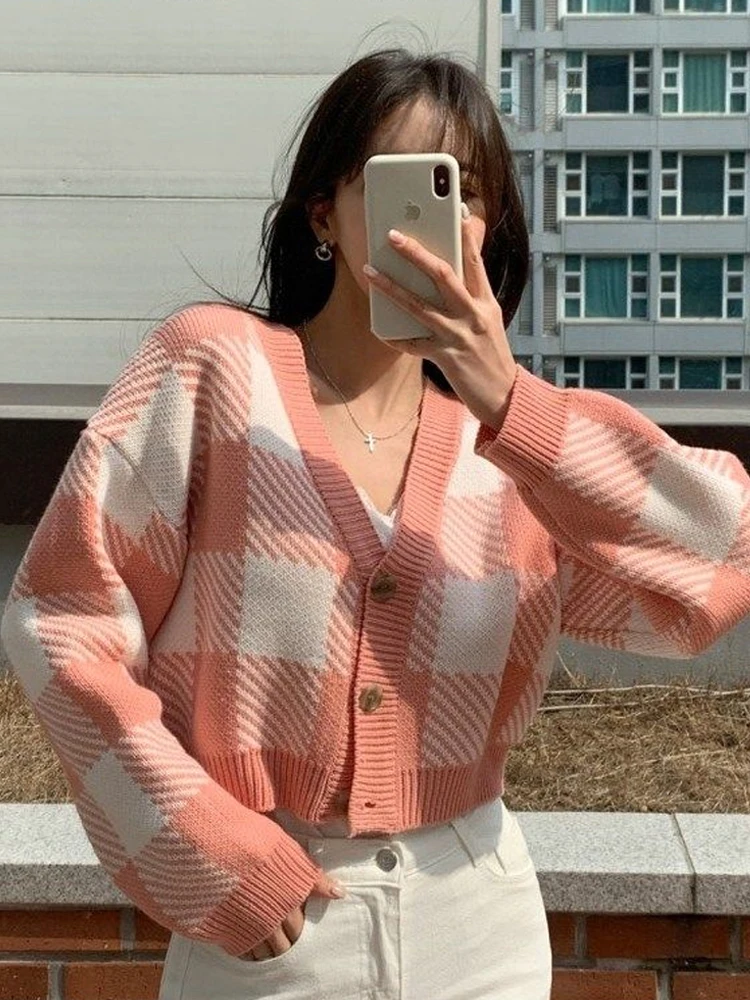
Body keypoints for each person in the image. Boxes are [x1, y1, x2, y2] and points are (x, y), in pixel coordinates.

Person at [3, 46, 750, 1000]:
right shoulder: (212, 373)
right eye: (406, 180)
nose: (442, 216)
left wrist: (509, 400)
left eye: (466, 192)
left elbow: (720, 562)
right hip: (268, 929)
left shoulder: (516, 455)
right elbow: (62, 622)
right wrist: (202, 847)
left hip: (479, 927)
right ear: (326, 210)